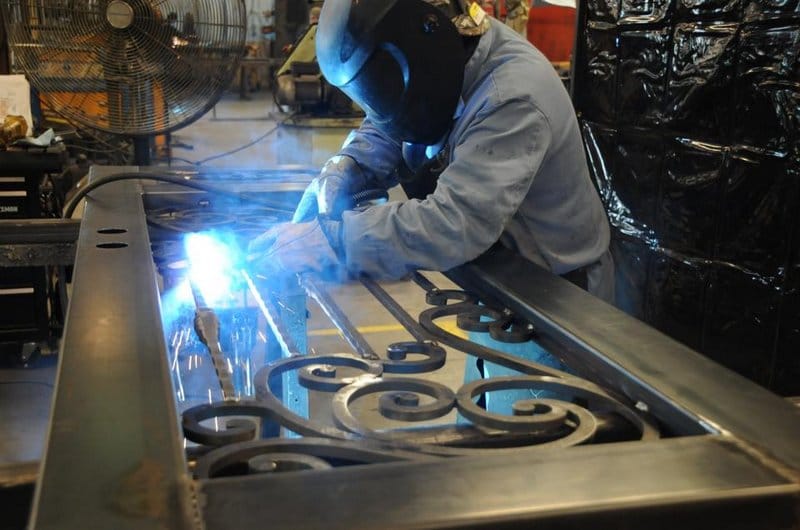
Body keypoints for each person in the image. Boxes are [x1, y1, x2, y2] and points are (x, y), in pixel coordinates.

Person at [250, 0, 613, 304]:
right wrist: (351, 164)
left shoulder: (512, 97)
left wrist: (333, 241)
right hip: (500, 277)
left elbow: (454, 224)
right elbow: (393, 118)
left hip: (560, 295)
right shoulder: (443, 60)